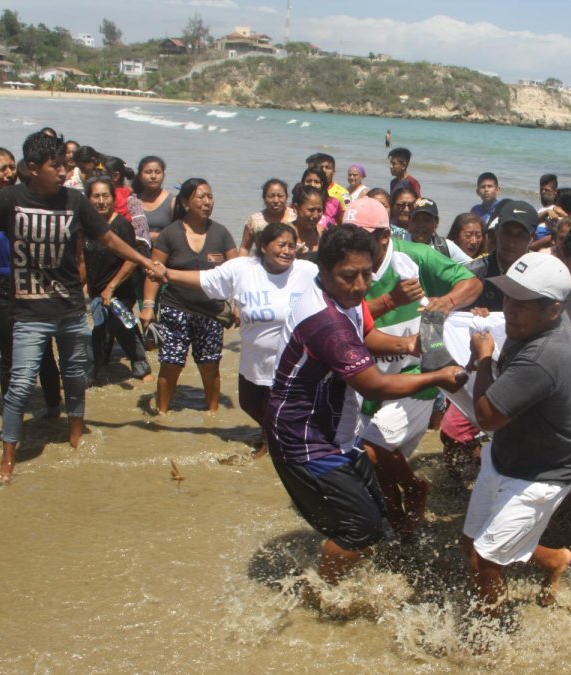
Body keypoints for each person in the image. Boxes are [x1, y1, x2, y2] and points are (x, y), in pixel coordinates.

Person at [264, 223, 466, 584]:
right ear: (323, 270)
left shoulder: (343, 300)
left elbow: (366, 333)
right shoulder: (327, 323)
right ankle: (322, 595)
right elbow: (375, 386)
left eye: (366, 275)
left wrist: (408, 346)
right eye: (348, 276)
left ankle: (359, 565)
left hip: (334, 430)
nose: (359, 286)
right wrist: (437, 377)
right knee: (359, 527)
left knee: (376, 509)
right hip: (302, 439)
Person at [0, 131, 163, 483]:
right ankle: (8, 459)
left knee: (75, 377)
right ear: (33, 167)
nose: (64, 172)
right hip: (28, 311)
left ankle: (75, 435)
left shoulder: (75, 202)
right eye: (55, 165)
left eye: (65, 164)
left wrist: (144, 260)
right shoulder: (9, 200)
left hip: (72, 309)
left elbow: (107, 237)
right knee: (19, 384)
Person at [347, 197, 483, 537]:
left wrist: (448, 301)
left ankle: (415, 489)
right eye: (347, 235)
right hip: (366, 377)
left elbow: (474, 283)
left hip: (416, 374)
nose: (351, 244)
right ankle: (401, 524)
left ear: (382, 236)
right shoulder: (345, 264)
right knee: (366, 466)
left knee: (371, 450)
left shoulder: (416, 256)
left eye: (359, 236)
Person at [463, 251, 571, 615]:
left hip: (541, 473)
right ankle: (554, 560)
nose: (510, 310)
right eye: (508, 297)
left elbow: (485, 416)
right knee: (470, 546)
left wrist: (484, 357)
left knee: (485, 561)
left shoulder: (543, 355)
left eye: (524, 302)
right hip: (508, 454)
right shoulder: (534, 323)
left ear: (554, 310)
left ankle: (491, 642)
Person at [164, 222, 317, 457]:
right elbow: (205, 279)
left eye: (292, 246)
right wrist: (167, 273)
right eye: (282, 245)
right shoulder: (243, 269)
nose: (288, 251)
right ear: (264, 246)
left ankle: (274, 447)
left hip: (291, 361)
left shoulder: (307, 271)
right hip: (253, 360)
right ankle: (278, 435)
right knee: (248, 403)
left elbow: (338, 282)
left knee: (274, 409)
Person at [0, 146, 64, 420]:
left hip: (34, 284)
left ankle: (53, 411)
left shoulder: (27, 199)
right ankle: (13, 416)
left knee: (45, 353)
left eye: (11, 167)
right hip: (1, 286)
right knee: (11, 357)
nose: (8, 173)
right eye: (1, 168)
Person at [139, 178, 237, 416]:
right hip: (176, 309)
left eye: (210, 197)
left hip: (211, 312)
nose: (207, 202)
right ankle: (162, 414)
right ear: (185, 202)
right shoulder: (170, 235)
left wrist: (238, 305)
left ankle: (212, 414)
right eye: (201, 197)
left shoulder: (221, 234)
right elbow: (154, 272)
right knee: (170, 364)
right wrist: (149, 306)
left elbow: (237, 274)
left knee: (210, 366)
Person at [82, 176, 152, 383]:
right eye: (96, 196)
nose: (101, 201)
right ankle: (99, 369)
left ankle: (141, 368)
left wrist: (111, 287)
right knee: (102, 328)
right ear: (88, 199)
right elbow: (83, 260)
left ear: (113, 199)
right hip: (97, 289)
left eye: (106, 196)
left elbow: (131, 260)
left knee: (122, 325)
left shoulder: (121, 225)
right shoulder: (86, 227)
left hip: (121, 288)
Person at [467, 200, 539, 311]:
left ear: (531, 238)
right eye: (507, 233)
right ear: (496, 231)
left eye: (520, 236)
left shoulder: (540, 274)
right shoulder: (472, 273)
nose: (511, 242)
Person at [239, 178, 296, 256]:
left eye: (280, 196)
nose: (276, 200)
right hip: (261, 264)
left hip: (289, 261)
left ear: (286, 197)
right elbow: (244, 248)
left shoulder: (295, 217)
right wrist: (241, 265)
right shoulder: (254, 220)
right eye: (271, 196)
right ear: (264, 198)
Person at [404, 197, 470, 262]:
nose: (421, 225)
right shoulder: (399, 244)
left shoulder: (446, 247)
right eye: (416, 220)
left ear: (436, 222)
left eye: (426, 220)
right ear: (409, 221)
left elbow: (474, 267)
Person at [134, 156, 174, 240]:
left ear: (163, 175)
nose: (153, 176)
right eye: (148, 172)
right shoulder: (132, 202)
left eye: (157, 172)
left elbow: (181, 233)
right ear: (140, 176)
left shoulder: (172, 201)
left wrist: (158, 236)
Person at [289, 185, 325, 257]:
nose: (315, 215)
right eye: (311, 210)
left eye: (319, 210)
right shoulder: (285, 232)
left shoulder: (321, 232)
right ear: (296, 208)